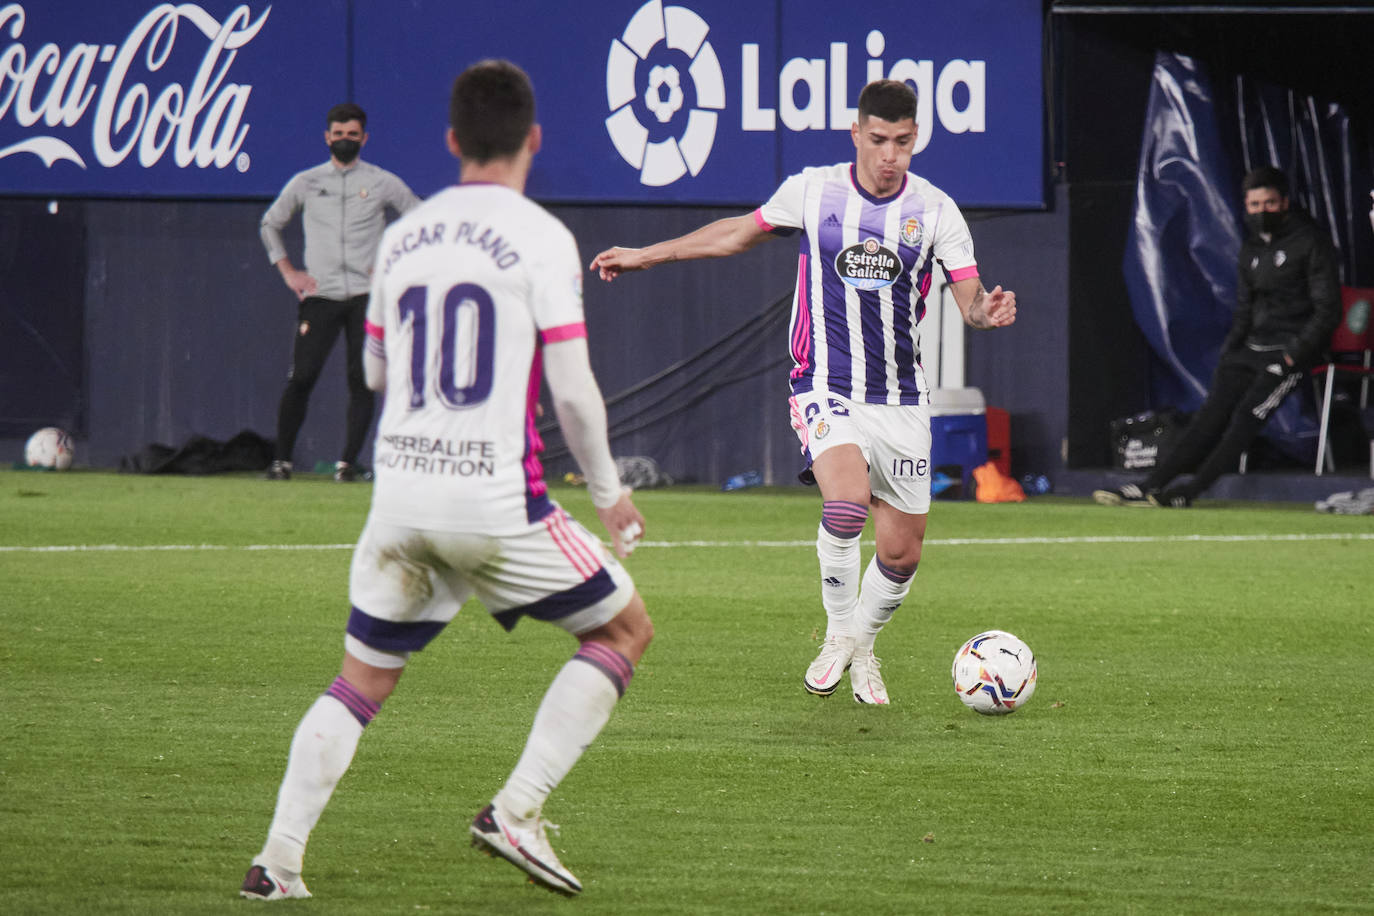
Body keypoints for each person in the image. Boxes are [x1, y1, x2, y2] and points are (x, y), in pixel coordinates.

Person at [240, 60, 653, 900]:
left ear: (452, 141)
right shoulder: (541, 236)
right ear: (533, 139)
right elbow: (572, 391)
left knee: (359, 684)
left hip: (400, 498)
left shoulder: (403, 236)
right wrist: (609, 491)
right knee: (623, 633)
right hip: (496, 500)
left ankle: (277, 863)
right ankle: (515, 811)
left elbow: (378, 372)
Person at [592, 79, 1015, 705]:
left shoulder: (936, 211)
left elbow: (969, 300)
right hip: (823, 382)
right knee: (844, 506)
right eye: (877, 140)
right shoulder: (814, 191)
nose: (889, 155)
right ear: (856, 133)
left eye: (901, 142)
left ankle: (862, 645)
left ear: (915, 138)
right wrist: (646, 256)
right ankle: (838, 635)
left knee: (901, 553)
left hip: (899, 398)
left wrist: (986, 312)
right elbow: (736, 233)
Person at [1094, 166, 1339, 508]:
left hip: (1291, 354)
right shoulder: (1252, 247)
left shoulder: (1310, 242)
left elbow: (1328, 310)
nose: (1262, 212)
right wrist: (1231, 351)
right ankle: (1149, 485)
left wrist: (1291, 356)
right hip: (1249, 349)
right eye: (1255, 205)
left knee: (1244, 421)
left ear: (1284, 203)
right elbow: (1245, 307)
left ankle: (1187, 492)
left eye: (1270, 203)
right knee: (1208, 417)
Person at [260, 102, 421, 481]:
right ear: (326, 137)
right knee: (302, 377)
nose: (345, 141)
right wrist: (288, 272)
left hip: (368, 297)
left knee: (362, 380)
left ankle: (347, 464)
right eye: (338, 134)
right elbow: (270, 223)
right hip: (320, 295)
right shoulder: (308, 181)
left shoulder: (382, 181)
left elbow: (419, 218)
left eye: (352, 135)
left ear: (364, 138)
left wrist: (393, 265)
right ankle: (280, 461)